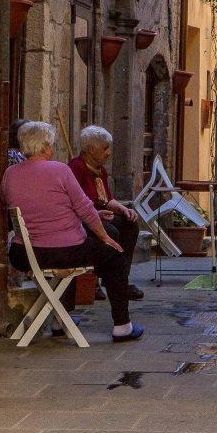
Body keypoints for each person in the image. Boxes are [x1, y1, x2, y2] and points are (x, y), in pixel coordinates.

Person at [1, 120, 144, 342]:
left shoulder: (10, 174)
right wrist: (104, 236)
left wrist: (97, 218)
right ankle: (122, 325)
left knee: (107, 242)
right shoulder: (61, 170)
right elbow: (85, 208)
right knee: (114, 251)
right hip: (64, 251)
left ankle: (60, 319)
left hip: (24, 255)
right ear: (47, 146)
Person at [68, 126, 144, 301]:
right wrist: (96, 213)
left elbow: (107, 199)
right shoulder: (75, 168)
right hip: (83, 219)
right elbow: (76, 203)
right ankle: (105, 280)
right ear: (92, 149)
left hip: (99, 215)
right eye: (105, 148)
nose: (108, 152)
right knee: (111, 232)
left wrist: (124, 209)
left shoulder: (100, 170)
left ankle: (120, 280)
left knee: (129, 225)